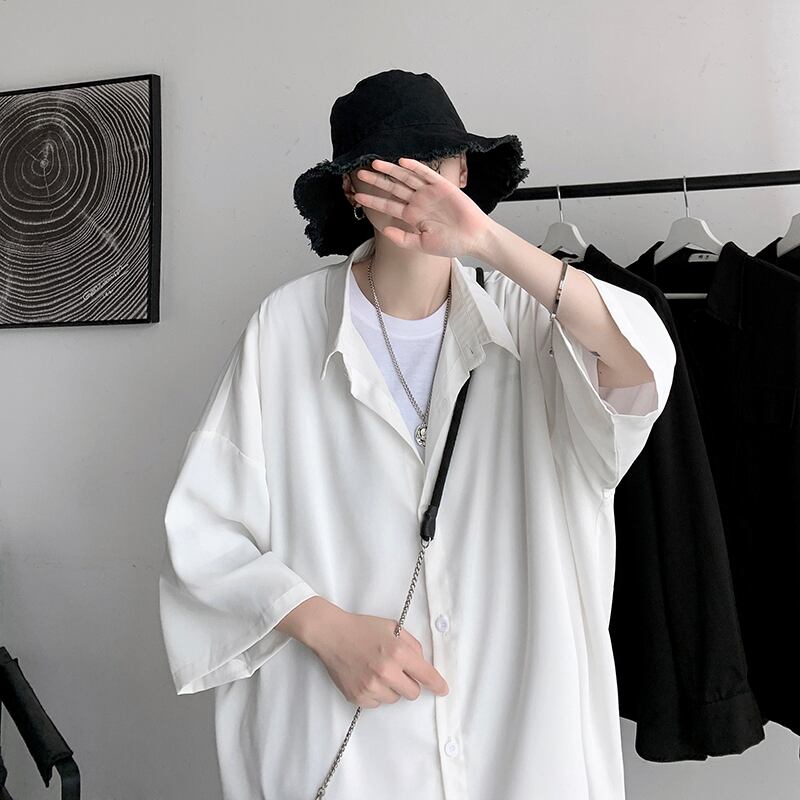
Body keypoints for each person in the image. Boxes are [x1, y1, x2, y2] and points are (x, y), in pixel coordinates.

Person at [158, 69, 677, 800]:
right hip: (348, 745)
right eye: (387, 170)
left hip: (522, 745)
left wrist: (485, 239)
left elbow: (642, 362)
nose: (417, 190)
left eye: (434, 164)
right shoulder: (286, 328)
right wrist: (326, 628)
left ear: (464, 173)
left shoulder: (532, 322)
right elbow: (204, 529)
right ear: (351, 189)